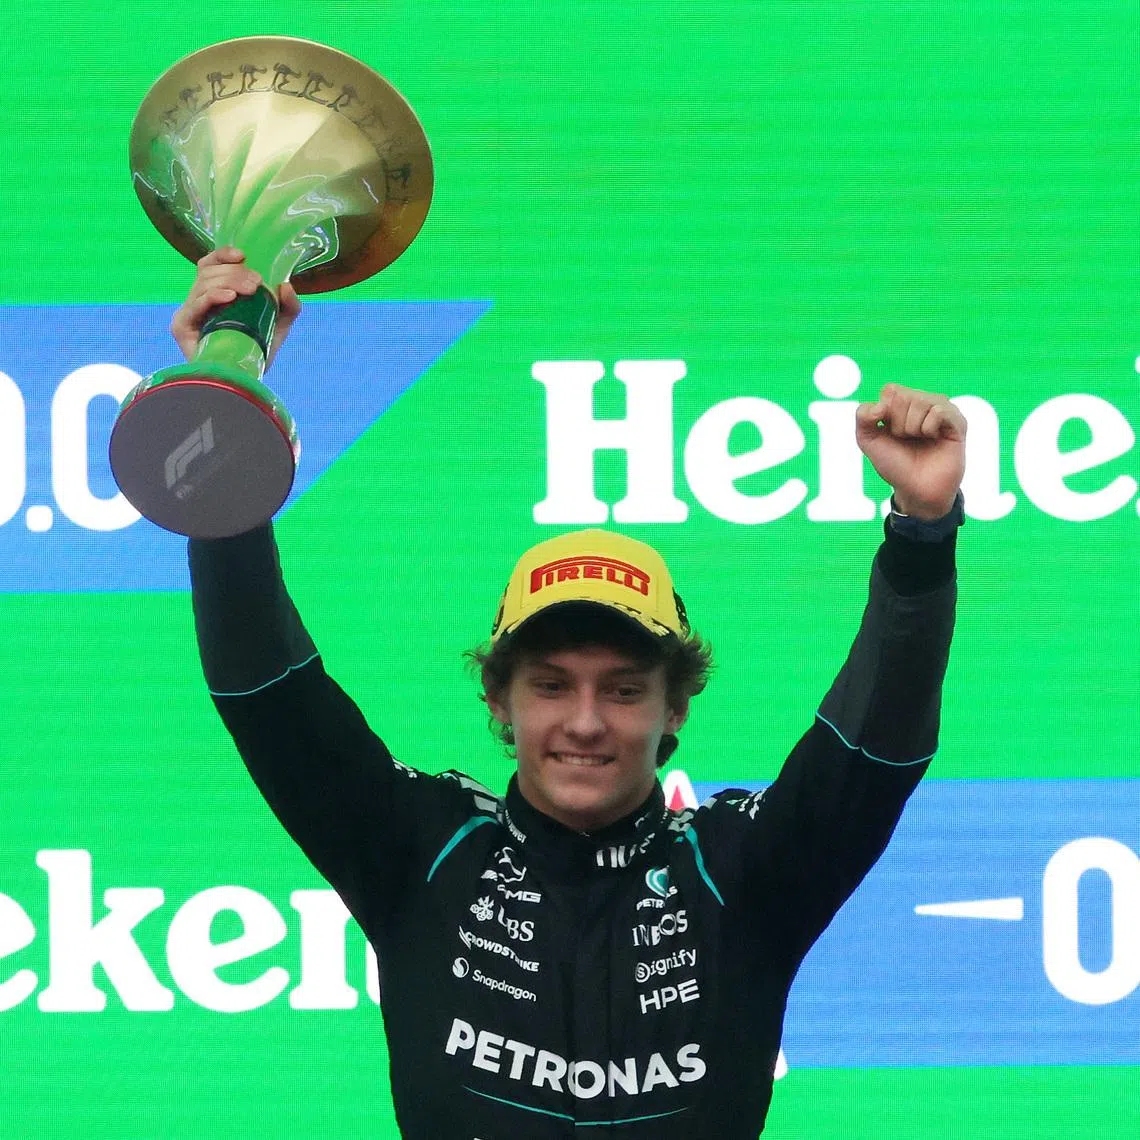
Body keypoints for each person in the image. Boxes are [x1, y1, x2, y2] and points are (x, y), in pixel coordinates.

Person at [177, 248, 967, 1139]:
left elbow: (875, 748)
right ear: (500, 703)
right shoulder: (419, 849)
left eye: (623, 689)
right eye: (551, 685)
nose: (585, 722)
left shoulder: (743, 872)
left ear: (674, 711)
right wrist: (225, 404)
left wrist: (922, 535)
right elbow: (264, 687)